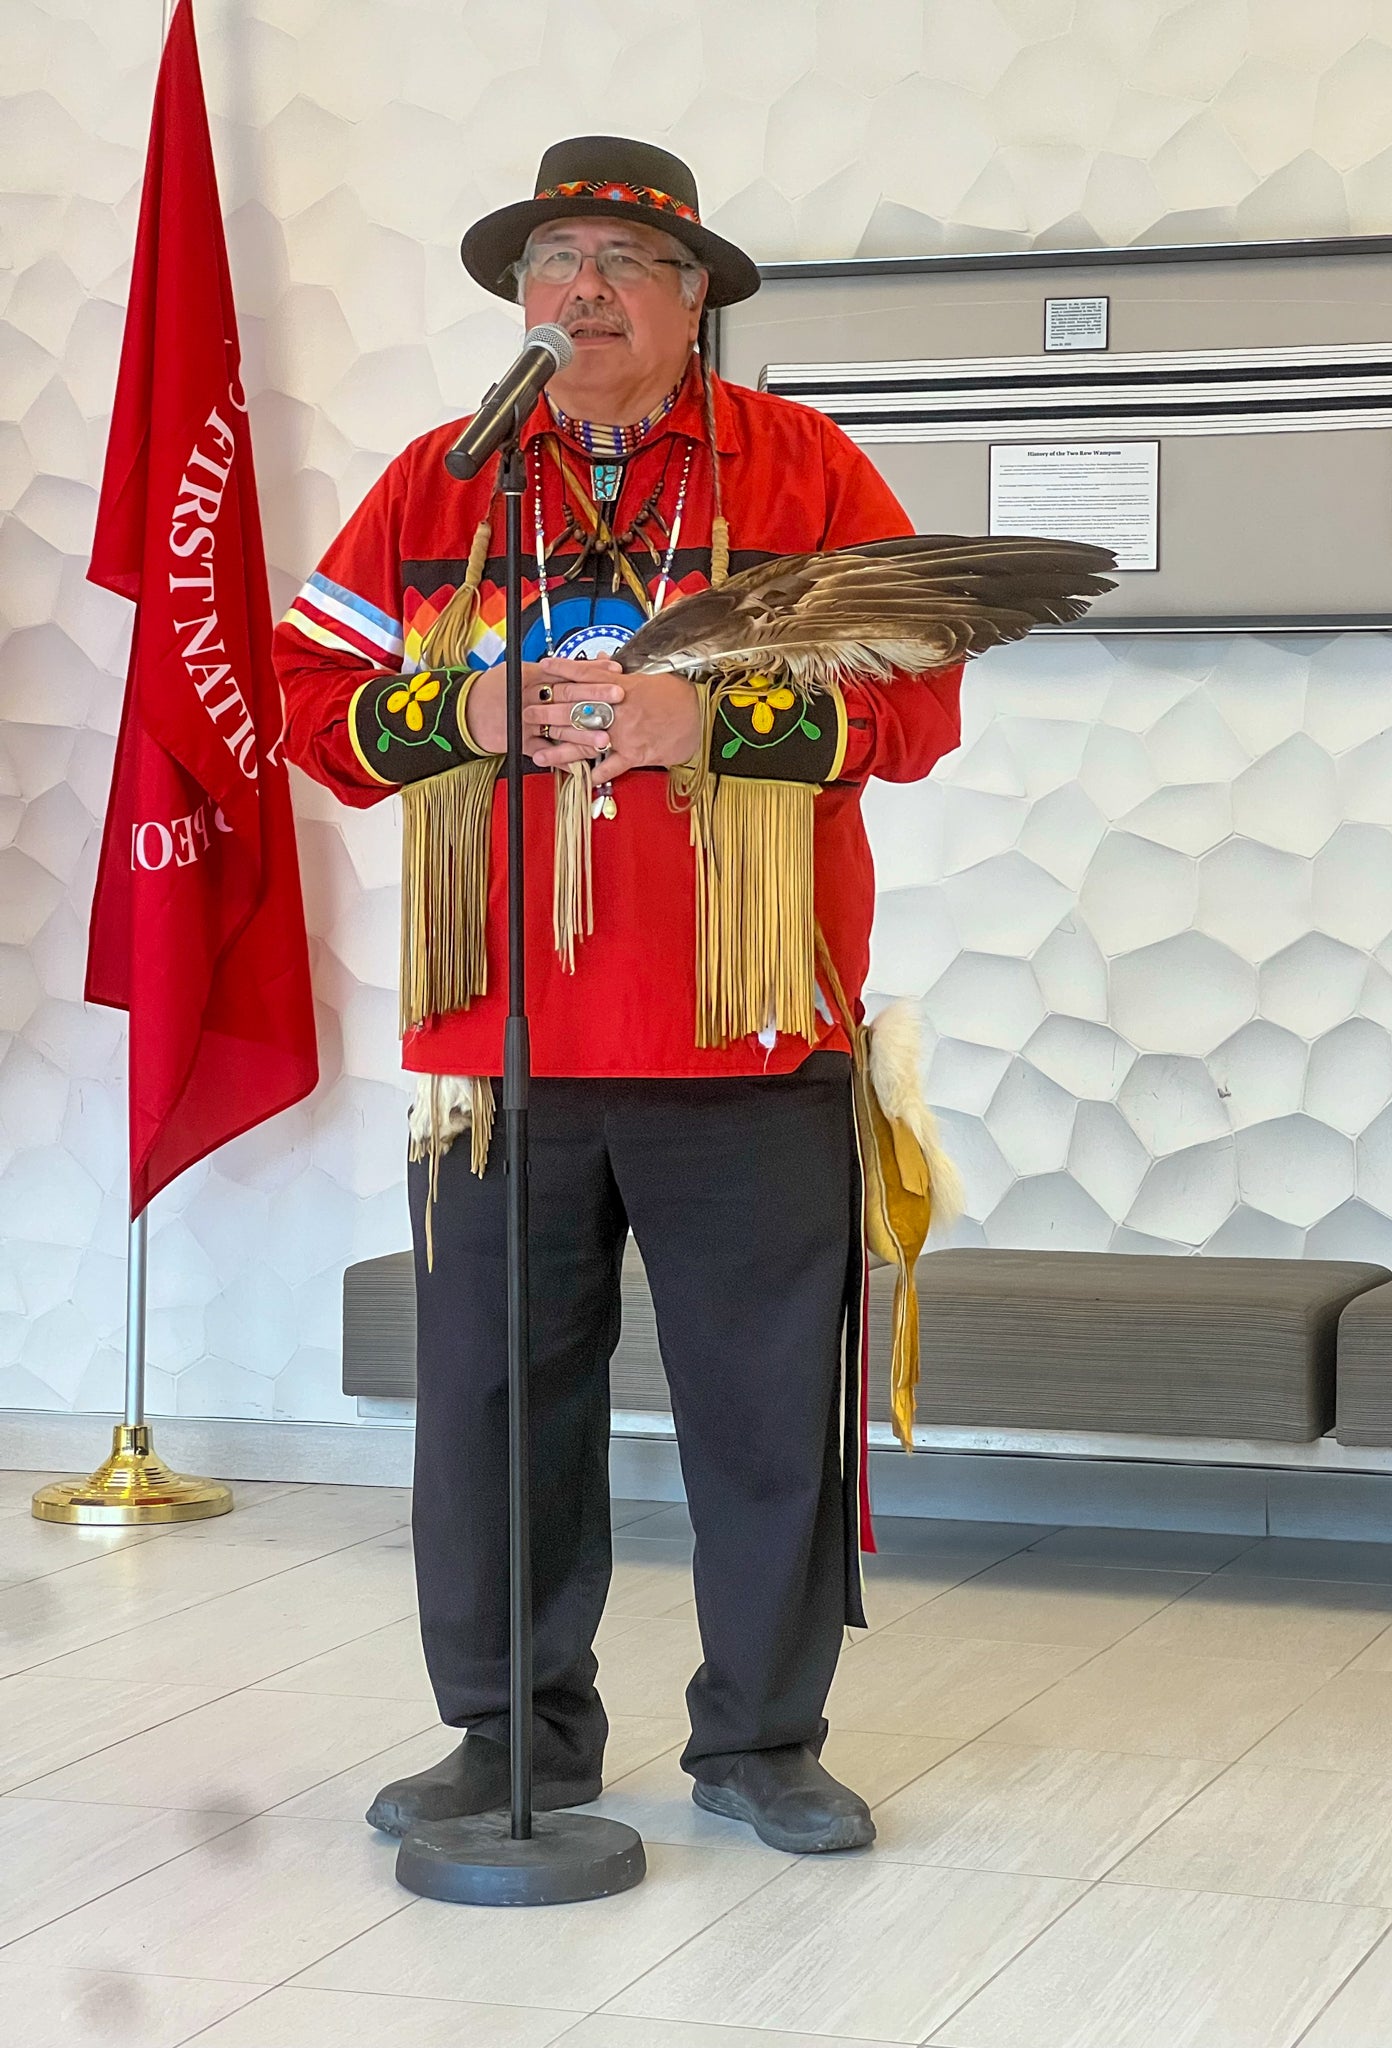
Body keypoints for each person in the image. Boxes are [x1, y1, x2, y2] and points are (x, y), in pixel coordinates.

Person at [275, 135, 962, 1854]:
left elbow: (917, 710)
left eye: (622, 263)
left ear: (693, 301)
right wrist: (466, 720)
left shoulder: (801, 475)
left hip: (746, 1029)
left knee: (758, 1410)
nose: (580, 289)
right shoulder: (443, 481)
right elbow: (306, 698)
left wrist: (712, 723)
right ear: (520, 298)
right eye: (552, 259)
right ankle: (515, 1732)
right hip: (495, 1043)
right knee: (496, 1415)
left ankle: (761, 1741)